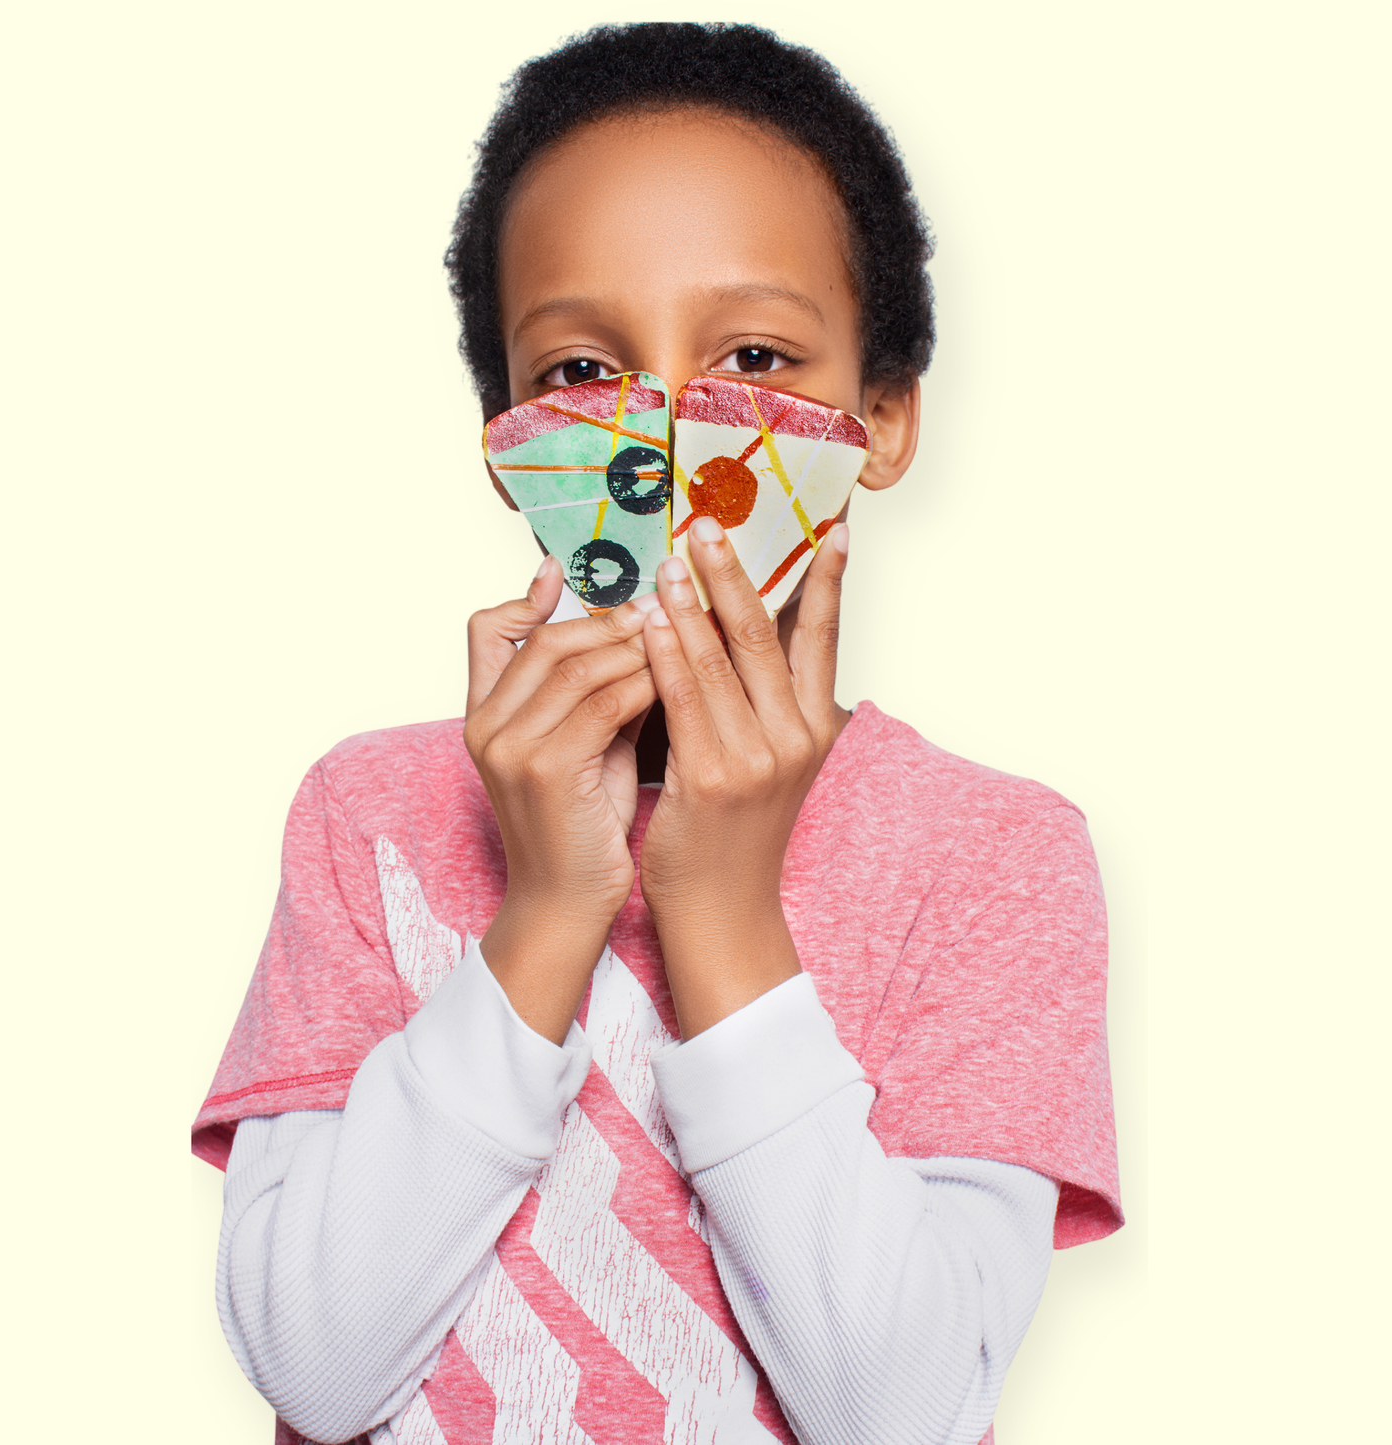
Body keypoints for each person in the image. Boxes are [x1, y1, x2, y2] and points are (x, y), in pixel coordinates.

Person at [193, 22, 1121, 1445]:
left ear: (881, 419)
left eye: (754, 354)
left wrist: (724, 913)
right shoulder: (368, 816)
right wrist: (547, 910)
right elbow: (313, 1369)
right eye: (580, 373)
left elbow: (906, 1414)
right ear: (509, 442)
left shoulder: (995, 856)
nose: (672, 443)